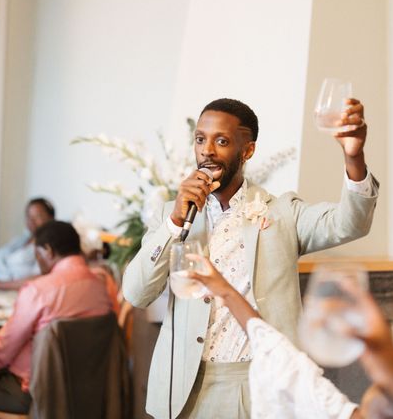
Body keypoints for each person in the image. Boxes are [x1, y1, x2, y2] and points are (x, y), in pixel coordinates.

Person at [122, 98, 379, 418]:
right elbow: (136, 292)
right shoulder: (172, 214)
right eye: (200, 139)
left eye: (222, 141)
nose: (207, 151)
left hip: (257, 383)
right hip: (185, 387)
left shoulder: (282, 213)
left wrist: (354, 157)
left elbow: (349, 222)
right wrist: (174, 222)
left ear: (248, 151)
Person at [189, 254, 393, 419]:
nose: (391, 400)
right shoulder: (324, 406)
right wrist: (224, 290)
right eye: (390, 390)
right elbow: (272, 346)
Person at [0, 221, 114, 418]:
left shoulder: (39, 290)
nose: (38, 261)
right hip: (88, 390)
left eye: (37, 254)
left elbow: (6, 346)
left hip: (34, 392)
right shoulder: (101, 287)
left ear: (47, 250)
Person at [0, 197, 55, 291]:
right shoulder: (21, 239)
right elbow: (3, 259)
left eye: (37, 216)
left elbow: (40, 277)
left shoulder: (48, 246)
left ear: (51, 218)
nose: (31, 221)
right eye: (28, 216)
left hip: (16, 293)